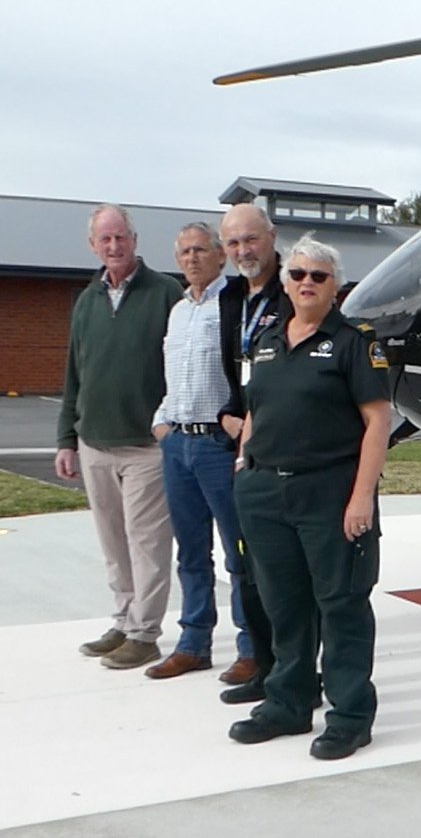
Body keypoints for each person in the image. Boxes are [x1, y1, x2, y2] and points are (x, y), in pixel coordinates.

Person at [229, 235, 390, 761]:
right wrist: (244, 457)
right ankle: (288, 703)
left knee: (341, 604)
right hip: (264, 493)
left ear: (335, 286)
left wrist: (361, 497)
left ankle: (349, 717)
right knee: (284, 605)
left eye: (318, 276)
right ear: (285, 281)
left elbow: (376, 422)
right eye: (297, 274)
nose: (306, 283)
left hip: (329, 492)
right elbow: (257, 406)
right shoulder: (268, 340)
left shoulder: (354, 342)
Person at [56, 204, 184, 670]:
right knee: (113, 543)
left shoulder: (166, 294)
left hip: (146, 446)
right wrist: (66, 437)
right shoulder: (87, 300)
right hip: (94, 443)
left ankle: (145, 633)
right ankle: (124, 618)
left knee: (146, 542)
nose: (114, 246)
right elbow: (74, 373)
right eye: (105, 239)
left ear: (135, 239)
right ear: (93, 245)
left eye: (121, 237)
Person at [145, 223, 253, 680]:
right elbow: (171, 374)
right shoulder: (178, 311)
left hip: (217, 444)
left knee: (240, 551)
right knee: (190, 552)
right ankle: (193, 643)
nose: (191, 259)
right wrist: (161, 423)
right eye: (184, 251)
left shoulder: (236, 304)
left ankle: (252, 646)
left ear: (219, 256)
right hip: (178, 444)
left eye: (200, 250)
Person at [215, 203, 288, 701]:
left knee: (285, 575)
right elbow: (234, 371)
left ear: (271, 236)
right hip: (241, 448)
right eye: (234, 243)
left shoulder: (298, 289)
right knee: (250, 568)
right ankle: (264, 667)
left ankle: (294, 672)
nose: (243, 250)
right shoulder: (230, 298)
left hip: (284, 450)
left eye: (251, 239)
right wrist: (228, 414)